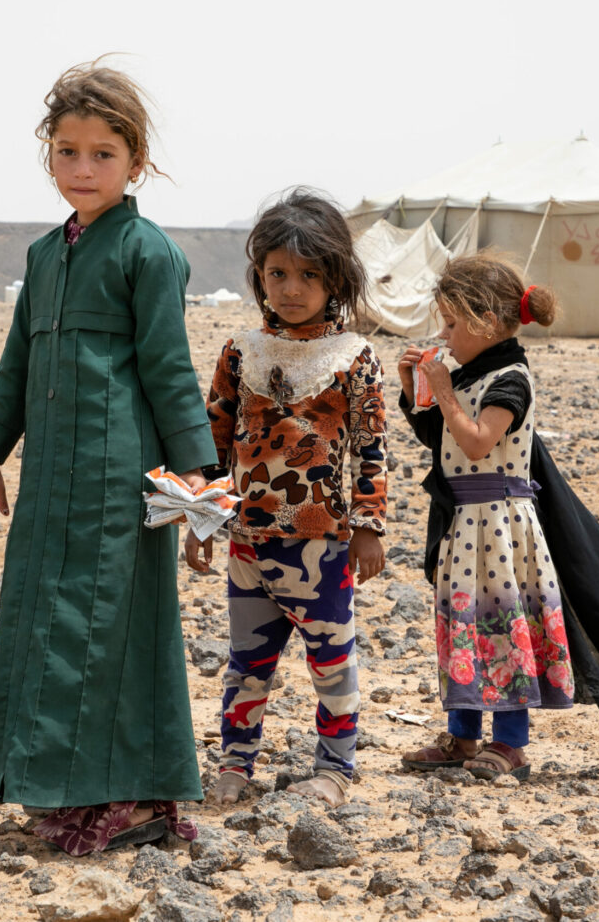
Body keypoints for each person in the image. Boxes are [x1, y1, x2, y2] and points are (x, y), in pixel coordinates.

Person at [0, 59, 214, 855]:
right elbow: (15, 368)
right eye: (66, 151)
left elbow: (172, 374)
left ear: (136, 161)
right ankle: (58, 789)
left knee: (111, 629)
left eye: (102, 153)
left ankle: (131, 795)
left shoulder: (150, 253)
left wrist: (199, 483)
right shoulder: (43, 256)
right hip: (47, 488)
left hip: (119, 484)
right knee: (43, 624)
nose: (82, 168)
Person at [185, 188, 387, 808]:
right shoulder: (240, 352)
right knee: (248, 663)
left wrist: (369, 525)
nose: (291, 288)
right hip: (247, 541)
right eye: (277, 273)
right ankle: (236, 764)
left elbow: (372, 448)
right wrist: (202, 519)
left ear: (337, 280)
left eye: (309, 274)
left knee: (332, 660)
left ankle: (336, 767)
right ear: (258, 277)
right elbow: (215, 444)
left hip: (321, 546)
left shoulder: (355, 359)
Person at [396, 253, 572, 782]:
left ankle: (511, 742)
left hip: (498, 523)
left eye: (452, 324)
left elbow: (475, 443)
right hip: (465, 522)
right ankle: (463, 735)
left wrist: (444, 391)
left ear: (487, 323)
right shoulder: (476, 373)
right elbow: (441, 438)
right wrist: (414, 390)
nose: (445, 336)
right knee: (464, 625)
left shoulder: (511, 379)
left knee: (502, 624)